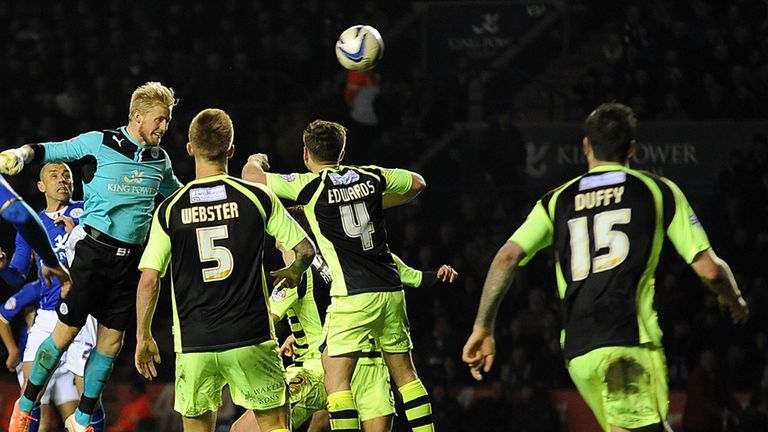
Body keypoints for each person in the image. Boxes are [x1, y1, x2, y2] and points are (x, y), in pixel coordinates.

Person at [461, 102, 749, 432]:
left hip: (579, 351)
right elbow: (710, 269)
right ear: (632, 149)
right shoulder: (657, 190)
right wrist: (735, 299)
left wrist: (483, 327)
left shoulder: (557, 199)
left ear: (586, 145)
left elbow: (506, 257)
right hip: (627, 346)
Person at [0, 81, 183, 432]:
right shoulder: (100, 142)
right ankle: (25, 406)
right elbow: (51, 150)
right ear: (137, 116)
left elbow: (176, 197)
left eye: (168, 120)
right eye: (160, 119)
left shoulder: (160, 160)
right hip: (93, 255)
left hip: (130, 261)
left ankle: (82, 419)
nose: (164, 127)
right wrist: (20, 155)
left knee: (111, 346)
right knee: (63, 335)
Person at [241, 119, 433, 432]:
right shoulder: (370, 176)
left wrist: (254, 160)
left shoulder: (310, 187)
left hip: (353, 294)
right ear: (342, 152)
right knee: (407, 375)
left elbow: (253, 181)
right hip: (390, 288)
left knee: (336, 379)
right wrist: (376, 203)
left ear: (306, 154)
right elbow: (417, 183)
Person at [134, 108, 315, 432]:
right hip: (251, 337)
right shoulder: (258, 196)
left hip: (195, 343)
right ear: (230, 150)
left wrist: (143, 335)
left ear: (190, 149)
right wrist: (295, 272)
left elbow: (149, 280)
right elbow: (305, 249)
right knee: (274, 425)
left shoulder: (170, 209)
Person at [230, 205, 458, 432]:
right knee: (323, 421)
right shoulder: (349, 259)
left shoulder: (295, 275)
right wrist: (436, 275)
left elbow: (265, 321)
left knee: (242, 430)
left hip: (318, 369)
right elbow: (411, 276)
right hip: (365, 364)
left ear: (290, 234)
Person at [0, 163, 106, 432]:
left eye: (67, 175)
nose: (62, 180)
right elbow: (17, 276)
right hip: (48, 314)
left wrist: (78, 234)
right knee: (29, 393)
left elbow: (105, 255)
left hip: (83, 312)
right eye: (54, 176)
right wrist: (2, 268)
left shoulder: (88, 211)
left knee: (89, 398)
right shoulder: (32, 224)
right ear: (41, 186)